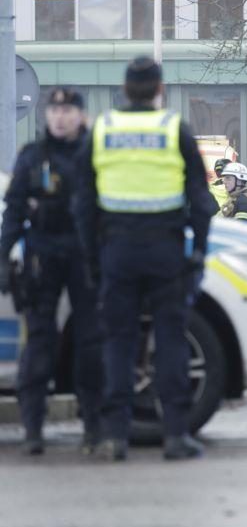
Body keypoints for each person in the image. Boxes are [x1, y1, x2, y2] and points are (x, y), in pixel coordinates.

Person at [75, 56, 216, 461]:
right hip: (165, 250)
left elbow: (84, 203)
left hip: (116, 250)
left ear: (124, 87)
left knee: (119, 341)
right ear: (159, 89)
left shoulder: (103, 130)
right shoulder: (174, 130)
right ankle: (174, 435)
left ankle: (115, 436)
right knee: (170, 338)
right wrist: (198, 251)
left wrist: (92, 256)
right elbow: (201, 201)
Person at [0, 89, 103, 456]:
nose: (61, 117)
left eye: (68, 110)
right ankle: (33, 430)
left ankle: (93, 428)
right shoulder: (32, 157)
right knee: (40, 344)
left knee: (90, 344)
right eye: (55, 110)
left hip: (84, 257)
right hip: (42, 257)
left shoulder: (95, 155)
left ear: (80, 115)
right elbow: (13, 212)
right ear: (47, 116)